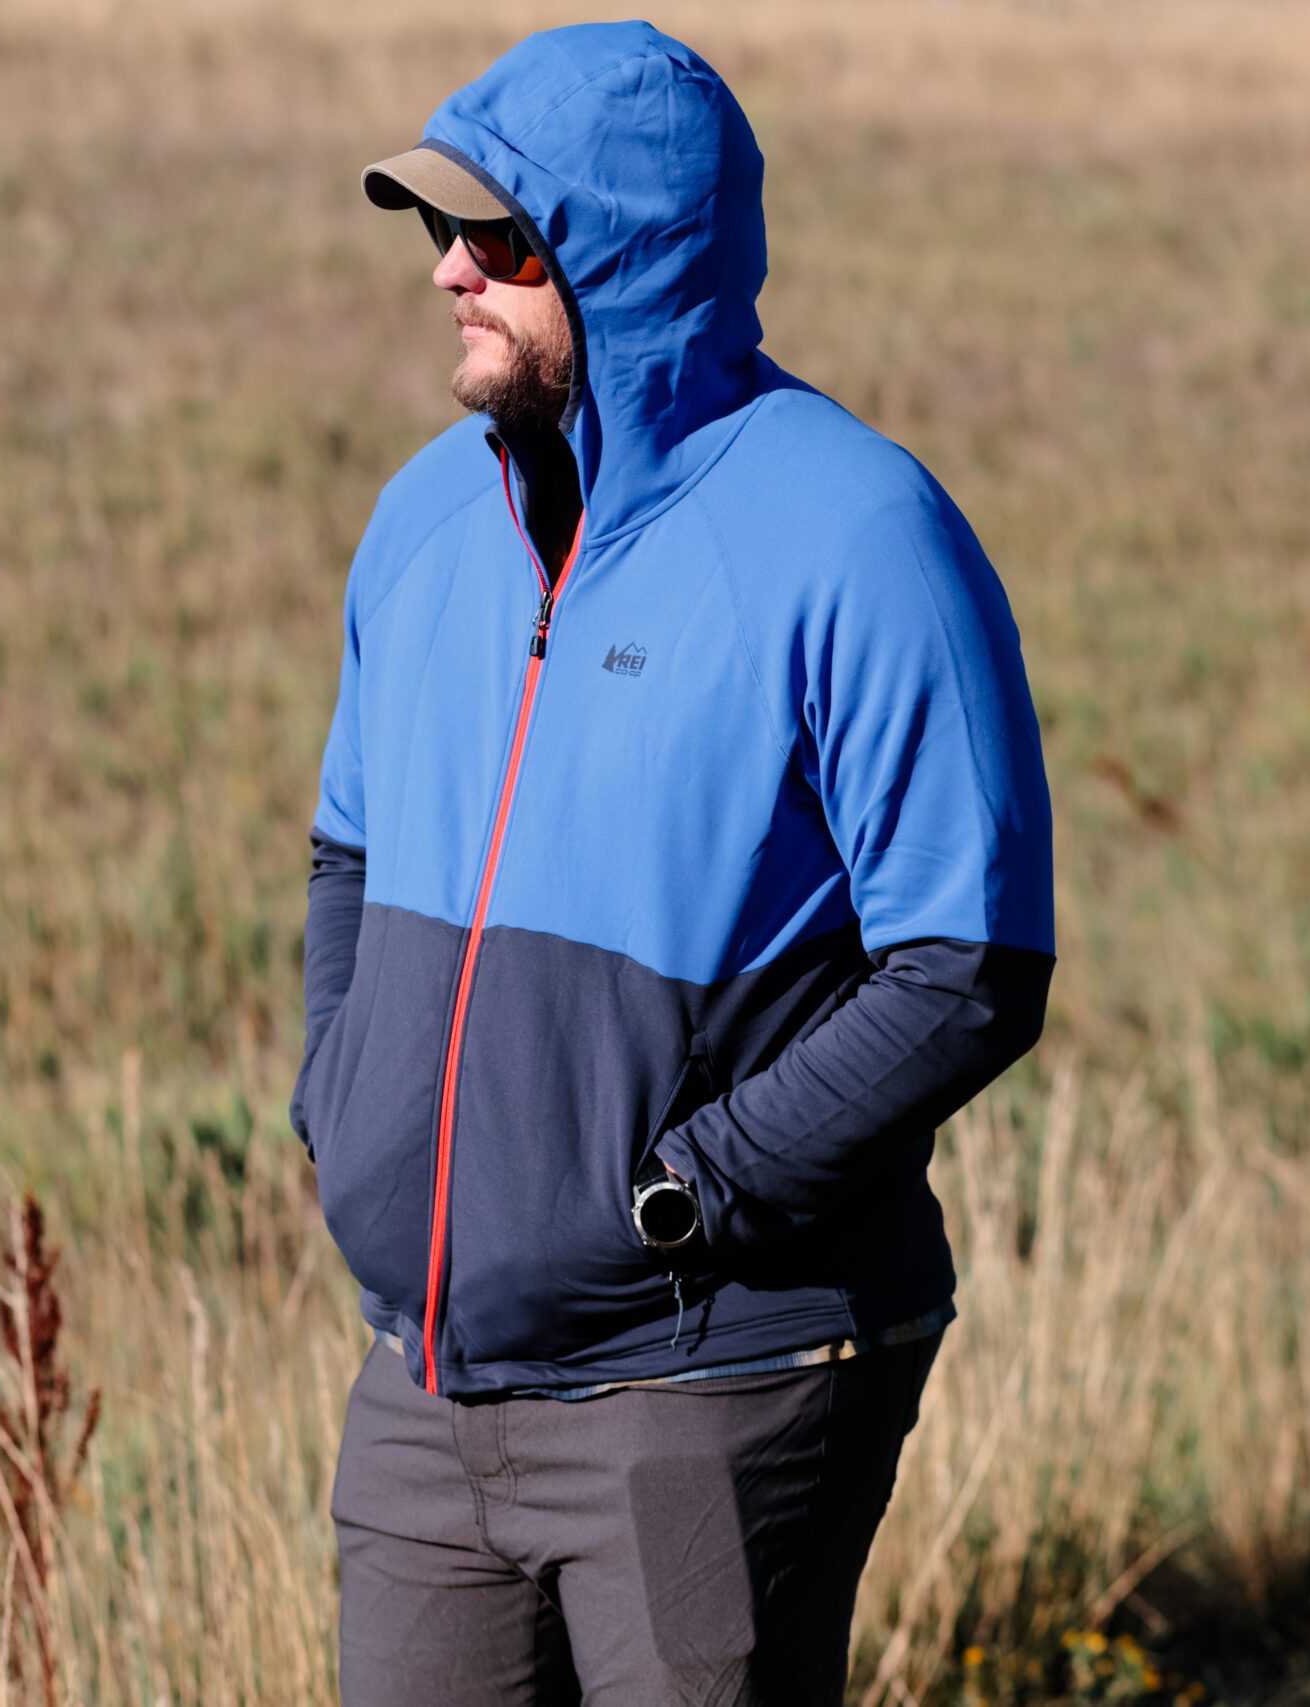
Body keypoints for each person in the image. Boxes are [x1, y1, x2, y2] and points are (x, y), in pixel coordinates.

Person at [290, 23, 1055, 1706]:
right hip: (426, 1397)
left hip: (709, 1393)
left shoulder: (857, 536)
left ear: (617, 253)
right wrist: (342, 1100)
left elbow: (970, 966)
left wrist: (686, 1193)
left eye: (495, 240)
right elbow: (349, 850)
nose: (448, 275)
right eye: (434, 233)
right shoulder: (424, 523)